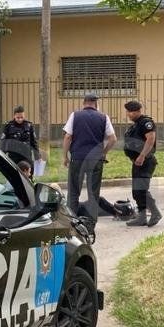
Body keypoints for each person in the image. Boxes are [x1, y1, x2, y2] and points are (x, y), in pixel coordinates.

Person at [62, 93, 116, 232]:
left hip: (78, 158)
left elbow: (68, 137)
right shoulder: (104, 117)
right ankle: (90, 225)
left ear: (84, 102)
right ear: (96, 103)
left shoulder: (75, 115)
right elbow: (113, 139)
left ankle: (72, 224)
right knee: (93, 193)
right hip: (96, 159)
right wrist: (103, 152)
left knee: (74, 192)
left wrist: (65, 156)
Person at [123, 100, 161, 227]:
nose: (128, 114)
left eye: (130, 112)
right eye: (128, 112)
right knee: (137, 191)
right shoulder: (136, 124)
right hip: (138, 162)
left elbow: (150, 139)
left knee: (142, 189)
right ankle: (142, 216)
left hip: (146, 161)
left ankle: (155, 213)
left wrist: (142, 155)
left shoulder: (146, 123)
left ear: (137, 111)